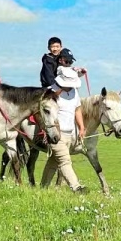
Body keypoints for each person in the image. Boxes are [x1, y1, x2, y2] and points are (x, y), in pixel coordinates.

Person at [40, 54, 86, 191]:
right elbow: (45, 114)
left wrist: (82, 127)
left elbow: (77, 109)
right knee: (65, 160)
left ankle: (42, 189)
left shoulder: (75, 93)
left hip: (69, 133)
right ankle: (76, 187)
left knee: (53, 162)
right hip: (56, 134)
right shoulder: (51, 92)